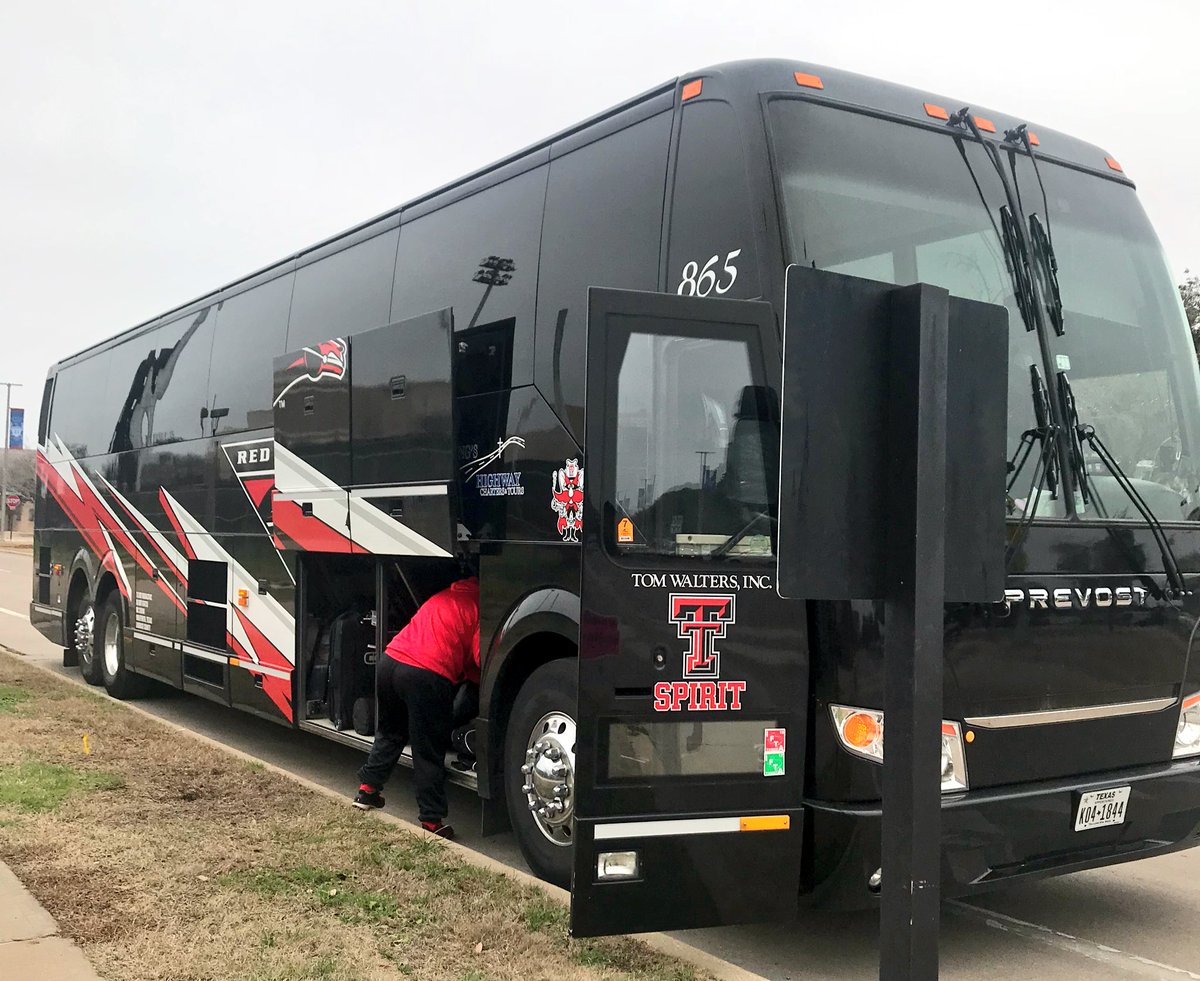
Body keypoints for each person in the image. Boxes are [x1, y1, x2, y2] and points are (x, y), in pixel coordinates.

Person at [352, 575, 480, 839]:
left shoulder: (445, 596)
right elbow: (479, 657)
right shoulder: (481, 607)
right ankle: (432, 821)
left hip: (389, 662)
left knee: (390, 732)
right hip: (426, 674)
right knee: (428, 748)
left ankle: (367, 790)